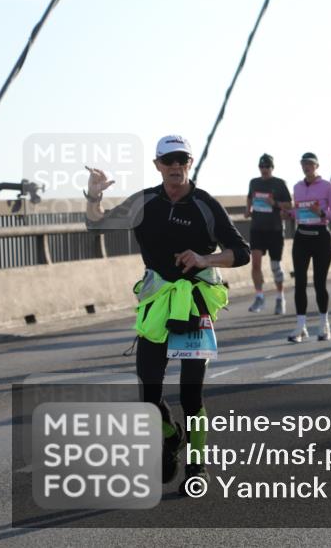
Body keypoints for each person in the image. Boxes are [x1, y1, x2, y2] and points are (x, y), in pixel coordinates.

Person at [85, 135, 250, 495]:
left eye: (182, 160)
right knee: (148, 392)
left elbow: (241, 251)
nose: (175, 166)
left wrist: (206, 259)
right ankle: (170, 435)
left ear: (190, 164)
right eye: (168, 160)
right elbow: (97, 224)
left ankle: (196, 466)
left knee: (191, 395)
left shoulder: (205, 204)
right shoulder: (145, 202)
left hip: (194, 302)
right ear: (158, 165)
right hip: (157, 301)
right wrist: (95, 195)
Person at [288, 152, 331, 343]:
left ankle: (323, 324)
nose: (306, 167)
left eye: (310, 164)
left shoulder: (327, 187)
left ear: (316, 166)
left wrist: (321, 212)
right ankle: (300, 326)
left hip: (320, 237)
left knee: (320, 283)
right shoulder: (297, 187)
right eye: (303, 164)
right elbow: (297, 212)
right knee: (299, 282)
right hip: (302, 236)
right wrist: (289, 213)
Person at [245, 154, 292, 315]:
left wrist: (275, 204)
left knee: (275, 266)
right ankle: (259, 296)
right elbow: (250, 197)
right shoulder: (254, 182)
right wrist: (247, 209)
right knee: (255, 264)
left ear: (272, 168)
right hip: (257, 228)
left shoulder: (279, 184)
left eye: (267, 167)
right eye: (262, 167)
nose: (264, 169)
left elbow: (289, 204)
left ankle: (280, 297)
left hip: (275, 229)